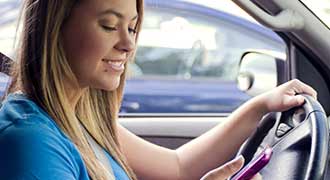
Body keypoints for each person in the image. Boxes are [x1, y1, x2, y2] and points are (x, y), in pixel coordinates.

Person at [0, 0, 317, 180]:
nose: (128, 44)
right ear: (55, 30)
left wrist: (259, 108)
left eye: (132, 27)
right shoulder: (31, 142)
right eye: (109, 26)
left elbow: (177, 168)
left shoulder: (77, 116)